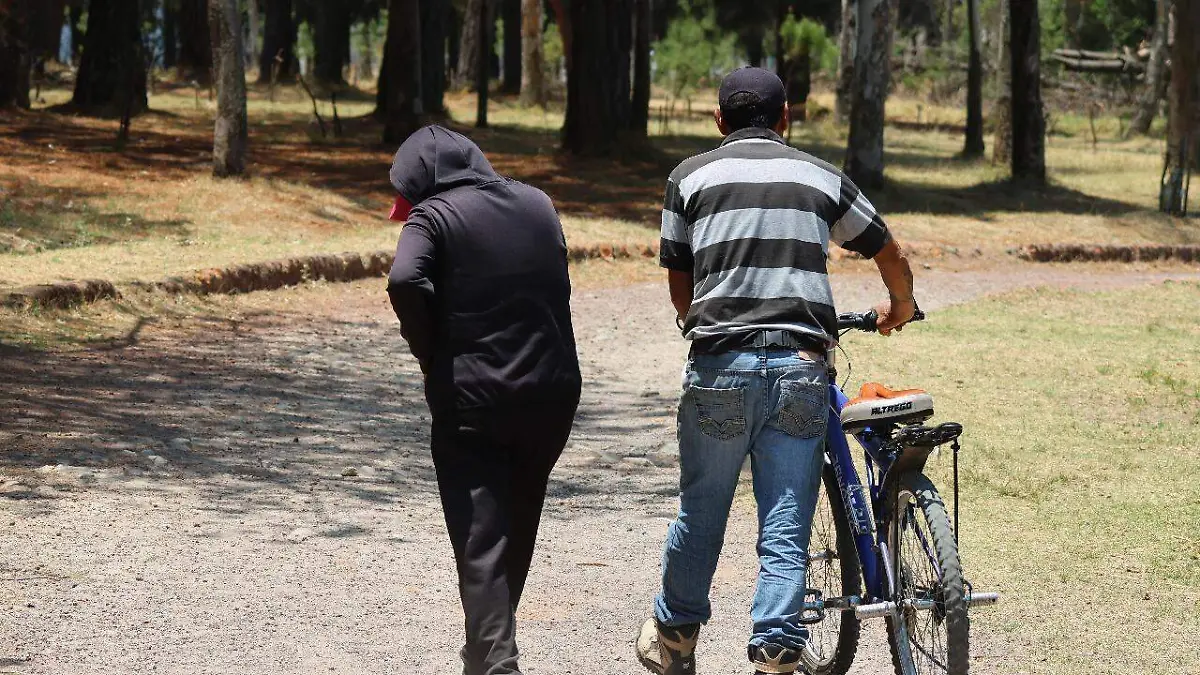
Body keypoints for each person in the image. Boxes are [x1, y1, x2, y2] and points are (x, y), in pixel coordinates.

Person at [635, 68, 917, 675]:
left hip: (720, 367)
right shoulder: (820, 176)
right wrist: (901, 305)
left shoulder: (687, 179)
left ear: (719, 122)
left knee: (701, 511)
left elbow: (679, 277)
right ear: (785, 118)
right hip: (800, 367)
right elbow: (885, 248)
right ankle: (776, 649)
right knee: (786, 517)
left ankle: (675, 641)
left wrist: (697, 326)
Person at [385, 125, 582, 675]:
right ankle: (484, 653)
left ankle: (496, 662)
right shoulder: (539, 203)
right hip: (552, 393)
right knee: (514, 523)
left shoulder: (434, 215)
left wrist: (430, 353)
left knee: (480, 536)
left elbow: (404, 280)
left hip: (473, 398)